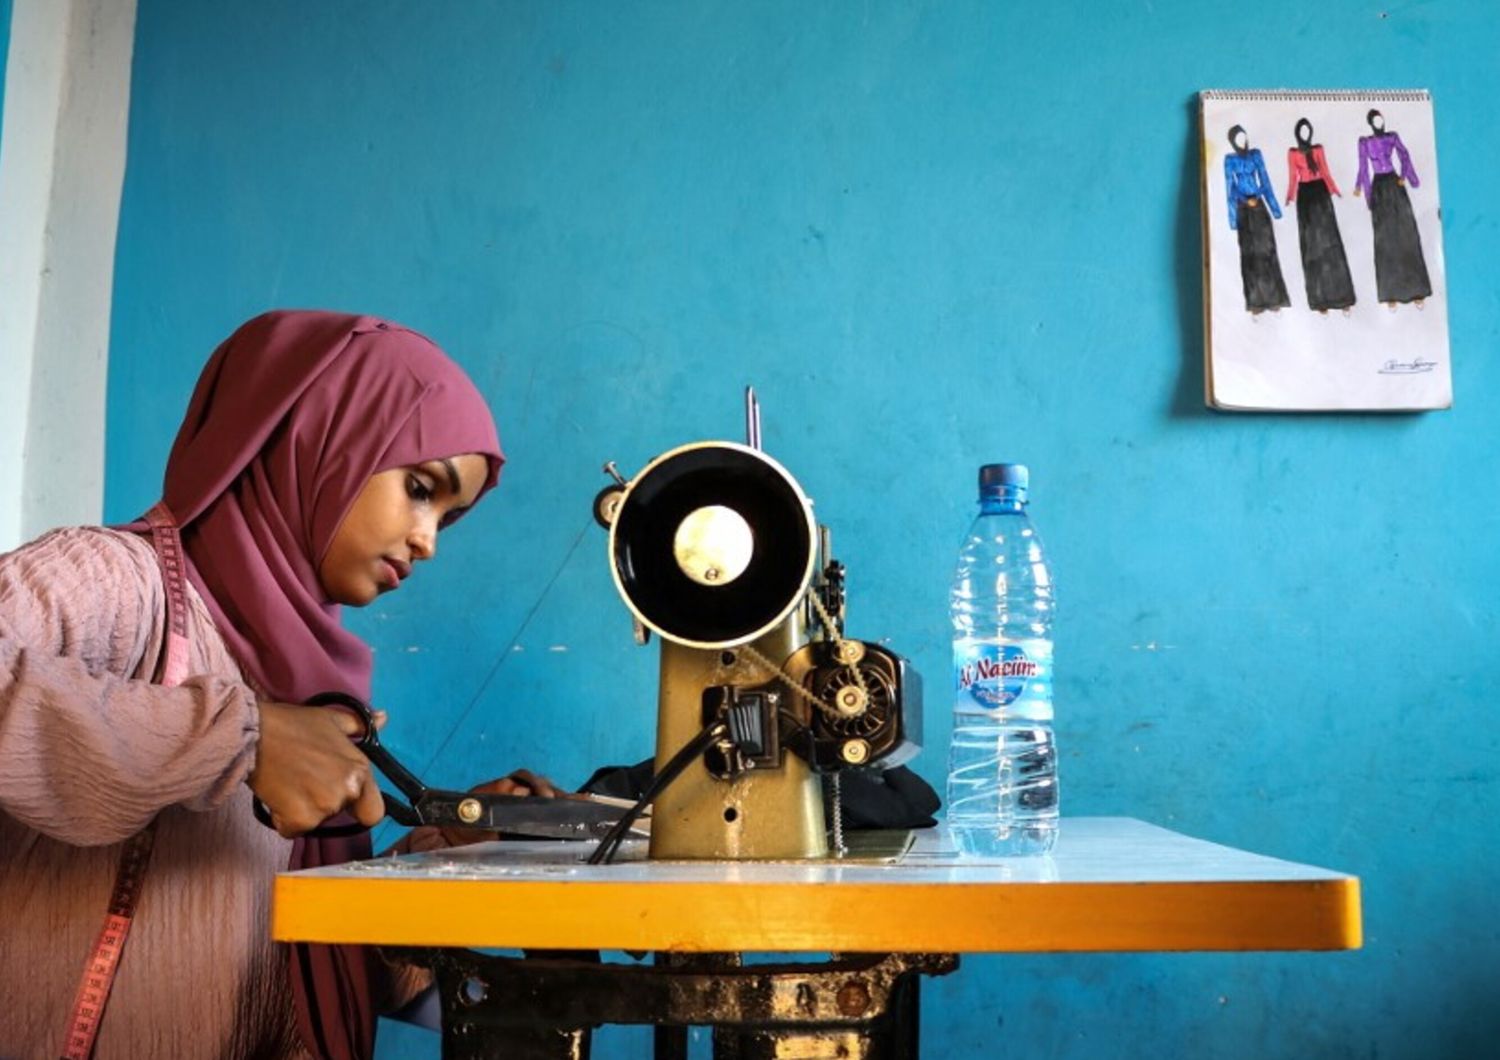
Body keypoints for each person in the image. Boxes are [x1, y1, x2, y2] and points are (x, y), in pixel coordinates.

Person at [0, 310, 550, 1059]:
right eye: (421, 488)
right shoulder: (115, 584)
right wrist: (236, 736)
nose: (427, 540)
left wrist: (449, 855)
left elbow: (308, 964)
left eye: (447, 518)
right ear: (319, 438)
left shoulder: (310, 683)